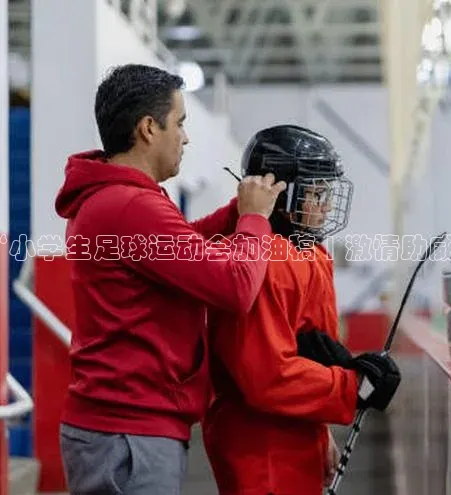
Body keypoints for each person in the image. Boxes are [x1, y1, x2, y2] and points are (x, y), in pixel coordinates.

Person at [53, 63, 286, 494]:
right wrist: (254, 220)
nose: (186, 136)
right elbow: (235, 288)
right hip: (129, 436)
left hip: (120, 431)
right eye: (179, 123)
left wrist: (236, 212)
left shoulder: (113, 199)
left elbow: (179, 247)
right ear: (148, 128)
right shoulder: (130, 207)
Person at [201, 124, 402, 495]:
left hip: (296, 437)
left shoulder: (312, 254)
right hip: (262, 448)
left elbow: (309, 352)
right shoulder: (265, 261)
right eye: (317, 192)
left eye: (328, 192)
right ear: (281, 195)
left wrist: (321, 426)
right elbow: (266, 377)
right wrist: (350, 387)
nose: (326, 205)